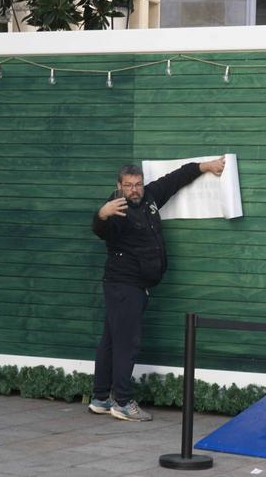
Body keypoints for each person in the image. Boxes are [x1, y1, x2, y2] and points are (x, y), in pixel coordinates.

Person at [89, 157, 225, 421]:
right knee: (127, 343)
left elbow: (175, 179)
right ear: (119, 186)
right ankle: (123, 402)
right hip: (125, 286)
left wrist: (205, 166)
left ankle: (100, 397)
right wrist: (102, 215)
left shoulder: (149, 196)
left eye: (138, 184)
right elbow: (102, 230)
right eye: (128, 185)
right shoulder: (116, 208)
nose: (134, 190)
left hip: (129, 286)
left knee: (111, 340)